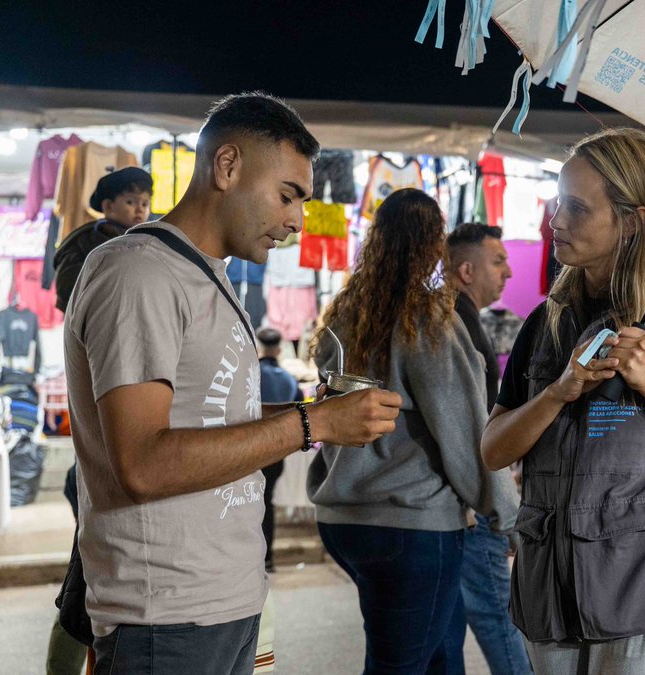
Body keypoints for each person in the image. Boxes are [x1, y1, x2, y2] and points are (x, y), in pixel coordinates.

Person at [64, 91, 403, 675]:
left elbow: (208, 414)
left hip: (224, 599)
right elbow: (142, 463)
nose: (297, 221)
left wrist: (306, 411)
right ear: (226, 166)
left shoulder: (206, 275)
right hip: (164, 618)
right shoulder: (140, 273)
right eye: (287, 195)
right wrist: (312, 424)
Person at [482, 128, 645, 674]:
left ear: (632, 220)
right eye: (558, 203)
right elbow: (493, 450)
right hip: (552, 597)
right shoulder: (544, 325)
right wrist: (557, 394)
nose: (557, 220)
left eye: (576, 207)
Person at [309, 188, 519, 675]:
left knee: (441, 653)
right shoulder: (428, 320)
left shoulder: (346, 314)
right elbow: (465, 431)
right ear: (433, 247)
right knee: (400, 664)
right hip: (411, 527)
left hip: (343, 519)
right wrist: (505, 512)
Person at [46, 166, 153, 675]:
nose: (140, 209)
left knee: (87, 573)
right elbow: (84, 311)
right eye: (131, 201)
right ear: (106, 203)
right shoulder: (89, 246)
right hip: (102, 396)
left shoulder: (144, 244)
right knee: (86, 572)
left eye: (144, 201)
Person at [444, 222, 530, 675]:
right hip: (474, 505)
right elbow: (471, 432)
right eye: (498, 261)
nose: (509, 273)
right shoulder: (458, 327)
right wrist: (501, 506)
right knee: (500, 623)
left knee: (449, 632)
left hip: (467, 503)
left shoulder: (462, 321)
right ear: (465, 270)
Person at [53, 166, 154, 312]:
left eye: (145, 204)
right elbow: (67, 291)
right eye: (131, 202)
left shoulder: (148, 242)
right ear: (108, 206)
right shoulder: (83, 242)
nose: (140, 210)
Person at [255, 327, 303, 573]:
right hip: (277, 453)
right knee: (266, 502)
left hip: (250, 448)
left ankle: (253, 559)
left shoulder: (251, 374)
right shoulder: (288, 379)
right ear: (278, 349)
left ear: (259, 347)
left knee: (249, 502)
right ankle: (267, 559)